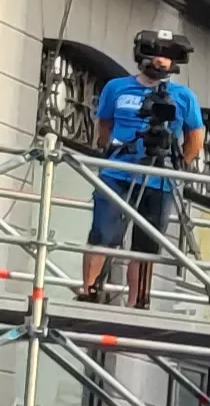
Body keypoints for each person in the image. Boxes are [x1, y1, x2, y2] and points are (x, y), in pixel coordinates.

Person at [82, 30, 201, 306]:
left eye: (167, 56)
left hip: (159, 179)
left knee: (145, 244)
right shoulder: (116, 87)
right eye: (155, 53)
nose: (160, 61)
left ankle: (138, 301)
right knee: (102, 233)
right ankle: (88, 290)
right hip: (116, 173)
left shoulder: (184, 96)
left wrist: (179, 163)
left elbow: (196, 137)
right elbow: (104, 126)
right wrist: (112, 148)